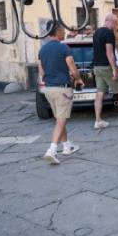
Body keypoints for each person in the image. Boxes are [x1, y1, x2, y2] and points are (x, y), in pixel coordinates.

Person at [38, 21, 84, 165]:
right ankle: (51, 150)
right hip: (62, 89)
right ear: (57, 31)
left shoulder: (42, 50)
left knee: (59, 117)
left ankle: (67, 146)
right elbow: (72, 67)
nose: (64, 32)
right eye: (62, 30)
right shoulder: (64, 48)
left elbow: (41, 71)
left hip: (48, 89)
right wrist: (78, 79)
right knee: (61, 120)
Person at [92, 13, 118, 129]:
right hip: (107, 67)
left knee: (99, 93)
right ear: (109, 21)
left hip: (97, 67)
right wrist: (115, 69)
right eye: (115, 23)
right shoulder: (109, 33)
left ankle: (98, 120)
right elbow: (109, 53)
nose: (116, 26)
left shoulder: (97, 32)